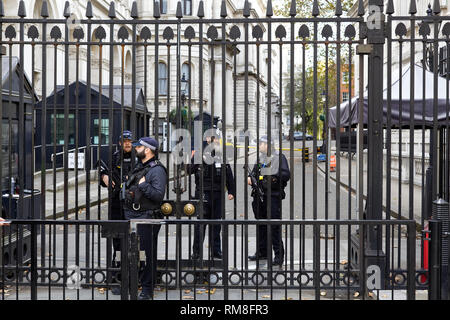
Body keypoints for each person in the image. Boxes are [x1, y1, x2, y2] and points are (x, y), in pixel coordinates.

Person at [123, 137, 167, 300]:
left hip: (147, 218)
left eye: (139, 146)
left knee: (147, 254)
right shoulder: (140, 167)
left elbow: (158, 195)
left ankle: (147, 289)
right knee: (132, 253)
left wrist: (143, 185)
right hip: (133, 216)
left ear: (147, 150)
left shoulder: (157, 170)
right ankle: (131, 284)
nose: (135, 148)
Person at [189, 131, 236, 260]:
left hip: (218, 193)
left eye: (217, 139)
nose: (215, 141)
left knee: (216, 224)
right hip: (202, 192)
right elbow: (189, 170)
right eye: (213, 138)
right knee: (201, 224)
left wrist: (231, 190)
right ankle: (197, 252)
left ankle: (216, 251)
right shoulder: (199, 152)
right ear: (208, 139)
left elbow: (228, 173)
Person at [99, 130, 135, 295]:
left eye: (129, 141)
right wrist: (104, 176)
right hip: (116, 203)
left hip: (134, 205)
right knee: (118, 242)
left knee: (133, 241)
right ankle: (118, 277)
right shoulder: (113, 157)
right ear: (120, 142)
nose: (127, 143)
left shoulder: (138, 157)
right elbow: (103, 172)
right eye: (124, 141)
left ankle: (135, 276)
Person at [248, 135, 290, 266]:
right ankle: (262, 252)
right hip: (259, 196)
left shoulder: (279, 157)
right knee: (261, 225)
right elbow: (255, 173)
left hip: (273, 196)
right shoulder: (260, 158)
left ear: (268, 145)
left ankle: (278, 255)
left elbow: (285, 175)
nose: (259, 145)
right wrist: (251, 178)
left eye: (261, 143)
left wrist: (269, 174)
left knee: (274, 226)